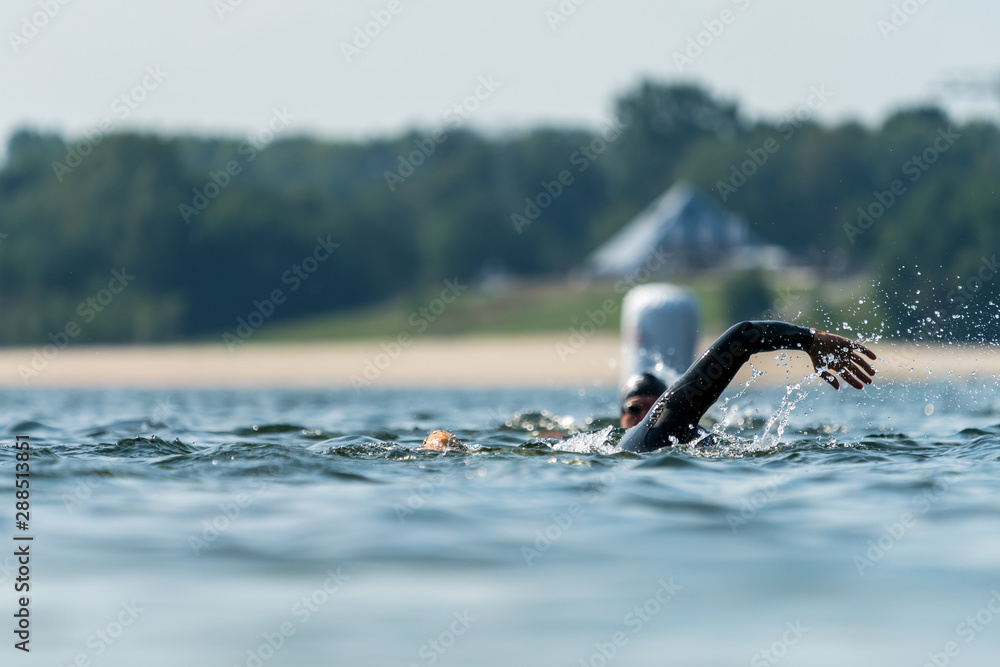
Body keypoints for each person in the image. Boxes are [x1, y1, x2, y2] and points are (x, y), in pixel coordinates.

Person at [421, 320, 876, 454]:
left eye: (649, 406)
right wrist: (464, 451)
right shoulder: (600, 442)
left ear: (667, 402)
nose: (640, 415)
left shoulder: (668, 427)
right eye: (631, 409)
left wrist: (810, 341)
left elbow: (743, 337)